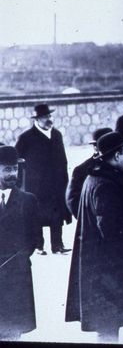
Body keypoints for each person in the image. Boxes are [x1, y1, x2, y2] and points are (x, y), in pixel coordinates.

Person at [65, 132, 123, 342]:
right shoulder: (105, 185)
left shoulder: (95, 177)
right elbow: (111, 229)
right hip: (111, 272)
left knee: (109, 324)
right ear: (115, 156)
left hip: (102, 271)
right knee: (112, 326)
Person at [15, 104, 71, 255]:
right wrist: (19, 181)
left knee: (57, 213)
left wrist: (65, 179)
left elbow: (63, 159)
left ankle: (57, 245)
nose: (49, 119)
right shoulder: (26, 138)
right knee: (37, 214)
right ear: (37, 119)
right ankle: (39, 246)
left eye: (49, 116)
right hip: (36, 185)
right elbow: (17, 159)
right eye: (45, 117)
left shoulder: (57, 135)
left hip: (56, 183)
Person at [0, 145, 41, 341]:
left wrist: (16, 258)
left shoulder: (28, 201)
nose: (12, 174)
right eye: (7, 169)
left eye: (15, 168)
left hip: (16, 279)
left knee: (11, 333)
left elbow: (35, 239)